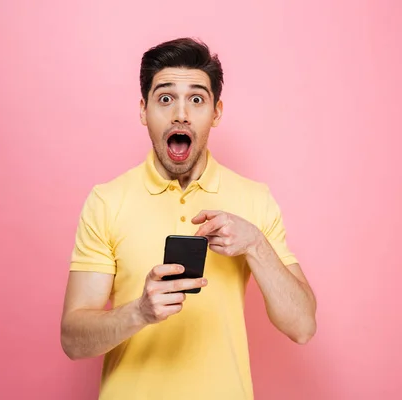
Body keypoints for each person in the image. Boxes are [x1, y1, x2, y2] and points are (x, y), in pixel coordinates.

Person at [60, 37, 317, 400]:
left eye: (196, 99)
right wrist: (140, 311)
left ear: (216, 112)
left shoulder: (254, 199)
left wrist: (256, 244)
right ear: (143, 110)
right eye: (165, 98)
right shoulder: (107, 201)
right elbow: (73, 340)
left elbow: (303, 326)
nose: (181, 113)